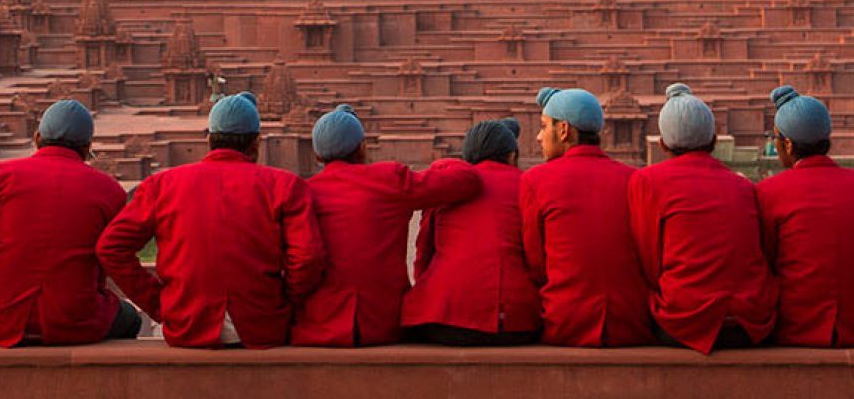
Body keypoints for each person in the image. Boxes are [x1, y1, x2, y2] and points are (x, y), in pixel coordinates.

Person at [97, 93, 324, 348]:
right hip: (262, 325)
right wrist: (284, 300)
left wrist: (159, 304)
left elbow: (111, 247)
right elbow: (307, 258)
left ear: (209, 140)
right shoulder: (284, 185)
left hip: (187, 324)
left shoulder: (163, 185)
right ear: (256, 143)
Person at [0, 99, 140, 347]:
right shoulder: (110, 191)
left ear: (37, 137)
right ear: (87, 147)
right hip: (76, 323)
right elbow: (112, 258)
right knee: (130, 318)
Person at [290, 103, 480, 346]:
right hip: (382, 323)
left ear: (316, 156)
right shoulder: (387, 181)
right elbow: (466, 181)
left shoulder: (304, 192)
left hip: (318, 324)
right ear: (362, 147)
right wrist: (443, 164)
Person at [627, 82, 777, 353]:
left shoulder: (648, 182)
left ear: (662, 143)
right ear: (713, 140)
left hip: (685, 320)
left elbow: (649, 261)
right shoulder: (742, 185)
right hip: (750, 322)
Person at [519, 87, 651, 347]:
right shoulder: (634, 179)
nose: (538, 137)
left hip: (565, 321)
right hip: (630, 322)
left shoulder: (536, 180)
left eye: (544, 126)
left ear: (565, 130)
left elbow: (536, 264)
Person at [755, 85, 854, 346]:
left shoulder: (768, 193)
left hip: (794, 326)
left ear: (788, 144)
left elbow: (765, 260)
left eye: (776, 139)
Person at [402, 118, 540, 346]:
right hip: (514, 322)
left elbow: (422, 256)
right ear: (511, 156)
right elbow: (537, 259)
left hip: (441, 318)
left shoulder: (447, 182)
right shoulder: (528, 183)